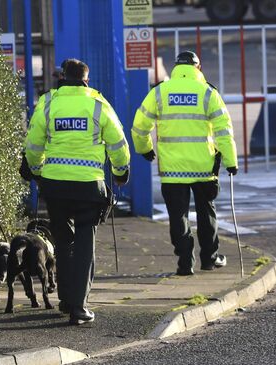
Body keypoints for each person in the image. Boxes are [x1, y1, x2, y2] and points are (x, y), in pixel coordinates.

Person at [25, 59, 130, 325]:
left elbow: (34, 144)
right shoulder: (98, 104)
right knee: (85, 245)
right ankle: (80, 307)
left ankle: (66, 299)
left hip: (56, 186)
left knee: (63, 242)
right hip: (88, 187)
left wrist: (37, 170)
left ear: (62, 77)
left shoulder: (48, 103)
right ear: (86, 78)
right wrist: (120, 172)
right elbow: (118, 143)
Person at [132, 51, 238, 276]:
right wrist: (231, 161)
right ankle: (209, 259)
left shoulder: (160, 92)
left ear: (176, 69)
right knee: (206, 213)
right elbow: (223, 132)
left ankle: (184, 262)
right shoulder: (208, 92)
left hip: (172, 170)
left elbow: (140, 126)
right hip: (204, 168)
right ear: (198, 68)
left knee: (178, 216)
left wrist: (145, 149)